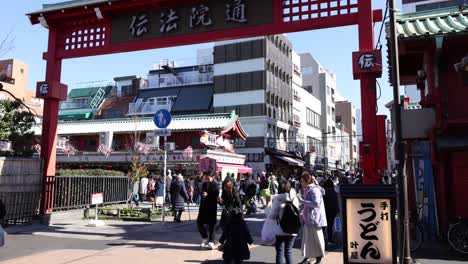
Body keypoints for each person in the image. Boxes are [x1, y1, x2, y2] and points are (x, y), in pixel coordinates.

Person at [298, 172, 327, 264]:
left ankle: (318, 258)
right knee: (307, 240)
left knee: (317, 239)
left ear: (307, 181)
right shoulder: (307, 189)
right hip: (309, 219)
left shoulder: (314, 190)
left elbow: (316, 203)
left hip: (315, 219)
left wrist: (302, 201)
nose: (301, 183)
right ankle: (307, 258)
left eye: (302, 181)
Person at [268, 181, 300, 264]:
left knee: (280, 252)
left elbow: (272, 216)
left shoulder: (278, 198)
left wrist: (267, 208)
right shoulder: (295, 198)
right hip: (293, 228)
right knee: (289, 252)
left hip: (280, 229)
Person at [197, 171, 220, 250]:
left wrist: (208, 195)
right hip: (203, 207)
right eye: (205, 177)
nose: (206, 179)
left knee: (212, 225)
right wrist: (202, 194)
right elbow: (202, 193)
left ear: (212, 177)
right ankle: (205, 237)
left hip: (211, 208)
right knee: (199, 222)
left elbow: (216, 196)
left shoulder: (215, 185)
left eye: (208, 177)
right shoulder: (204, 184)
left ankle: (211, 241)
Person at [323, 178, 339, 244]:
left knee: (323, 226)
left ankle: (323, 238)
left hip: (325, 211)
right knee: (330, 225)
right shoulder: (334, 192)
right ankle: (330, 239)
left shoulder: (324, 192)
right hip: (332, 211)